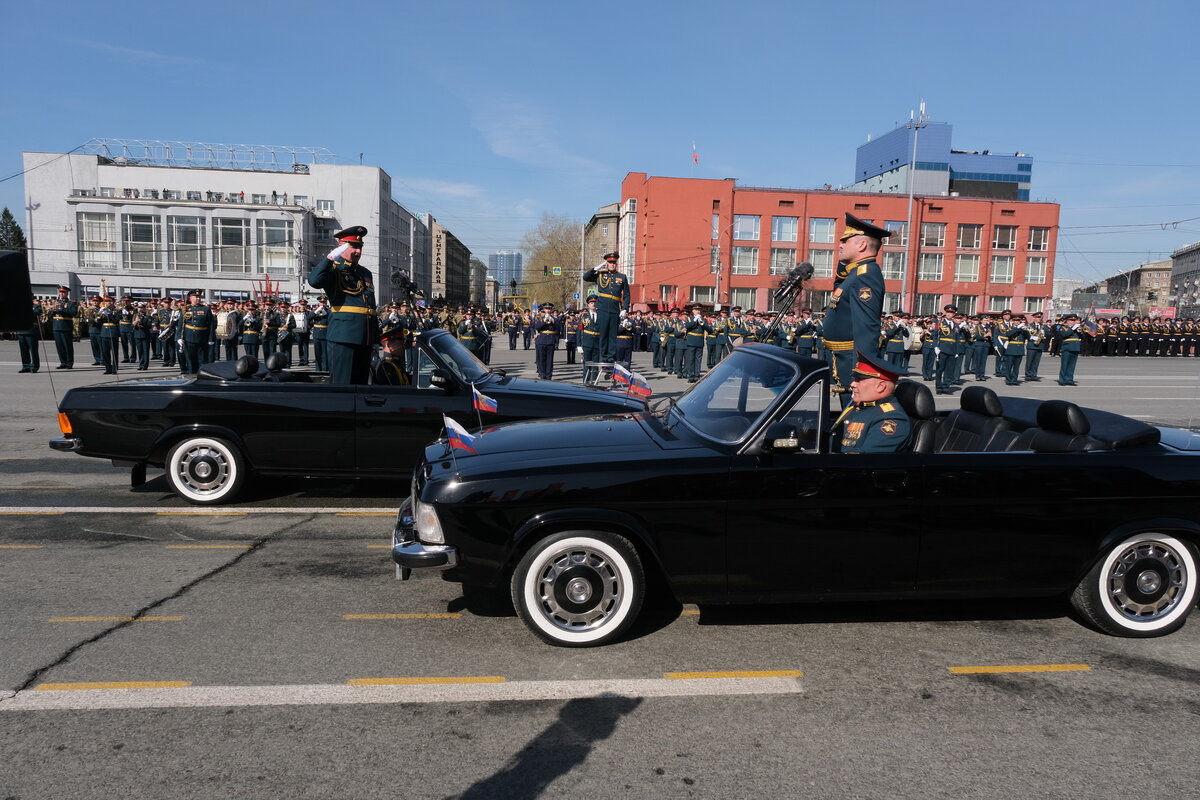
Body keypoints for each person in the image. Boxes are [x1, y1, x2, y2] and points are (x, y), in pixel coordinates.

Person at [821, 214, 887, 408]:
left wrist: (863, 374)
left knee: (854, 417)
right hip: (841, 359)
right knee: (846, 413)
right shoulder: (854, 274)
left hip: (853, 361)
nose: (840, 245)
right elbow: (838, 286)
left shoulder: (866, 277)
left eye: (845, 241)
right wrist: (843, 263)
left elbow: (867, 329)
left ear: (861, 245)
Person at [307, 225, 378, 384]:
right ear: (342, 246)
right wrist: (329, 258)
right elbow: (314, 281)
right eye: (354, 247)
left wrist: (375, 339)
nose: (358, 251)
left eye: (360, 247)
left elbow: (371, 308)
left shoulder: (365, 273)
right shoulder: (333, 269)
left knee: (360, 385)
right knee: (343, 385)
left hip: (365, 338)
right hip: (343, 337)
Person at [830, 351, 912, 454]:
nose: (852, 384)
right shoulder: (860, 407)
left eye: (858, 380)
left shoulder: (891, 419)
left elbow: (866, 460)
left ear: (880, 386)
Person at [581, 251, 631, 370]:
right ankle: (603, 358)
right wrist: (597, 268)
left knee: (612, 335)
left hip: (615, 308)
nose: (612, 264)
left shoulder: (622, 277)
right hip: (602, 308)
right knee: (603, 334)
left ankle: (610, 359)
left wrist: (624, 308)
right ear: (606, 263)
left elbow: (627, 295)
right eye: (610, 262)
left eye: (614, 262)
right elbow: (585, 277)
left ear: (616, 263)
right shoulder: (600, 274)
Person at [180, 289, 214, 375]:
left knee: (202, 360)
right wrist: (179, 338)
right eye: (196, 297)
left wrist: (211, 338)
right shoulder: (185, 309)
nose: (198, 299)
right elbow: (181, 324)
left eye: (199, 297)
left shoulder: (206, 309)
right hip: (189, 338)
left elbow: (211, 324)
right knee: (191, 360)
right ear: (190, 298)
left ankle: (202, 377)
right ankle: (191, 376)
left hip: (202, 338)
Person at [50, 285, 78, 369]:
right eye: (60, 292)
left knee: (67, 345)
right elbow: (50, 314)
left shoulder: (71, 303)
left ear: (67, 293)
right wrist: (52, 310)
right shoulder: (56, 302)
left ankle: (69, 363)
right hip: (56, 326)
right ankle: (63, 362)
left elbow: (73, 313)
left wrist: (61, 309)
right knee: (59, 346)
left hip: (65, 326)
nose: (61, 294)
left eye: (63, 292)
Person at [1056, 314, 1084, 385]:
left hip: (1075, 347)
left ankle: (1069, 379)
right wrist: (1073, 329)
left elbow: (1082, 337)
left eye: (1074, 320)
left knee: (1072, 365)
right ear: (1067, 321)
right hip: (1067, 348)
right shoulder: (1063, 328)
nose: (1073, 322)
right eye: (1071, 320)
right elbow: (1064, 335)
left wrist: (1080, 331)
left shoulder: (1076, 329)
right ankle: (1062, 380)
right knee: (1064, 364)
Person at [16, 301, 40, 373]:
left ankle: (34, 366)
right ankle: (26, 366)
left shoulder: (36, 306)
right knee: (24, 350)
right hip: (21, 330)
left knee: (33, 350)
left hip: (31, 331)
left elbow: (36, 313)